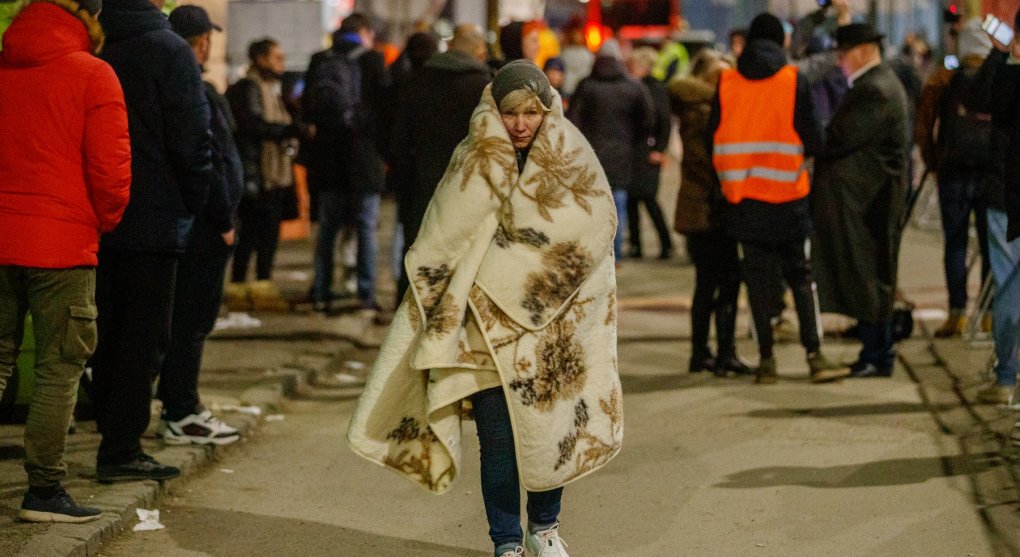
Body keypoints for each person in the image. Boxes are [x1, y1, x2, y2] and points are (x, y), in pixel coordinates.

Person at [348, 60, 621, 557]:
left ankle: (545, 528)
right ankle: (506, 541)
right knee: (498, 442)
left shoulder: (573, 159)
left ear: (547, 111)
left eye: (532, 113)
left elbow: (592, 235)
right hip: (484, 326)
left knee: (550, 429)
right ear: (494, 111)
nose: (520, 124)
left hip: (551, 325)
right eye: (511, 113)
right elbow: (441, 240)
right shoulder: (470, 159)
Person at [0, 0, 130, 520]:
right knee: (60, 366)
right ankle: (45, 491)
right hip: (62, 244)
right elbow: (111, 168)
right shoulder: (94, 75)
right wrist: (101, 220)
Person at [91, 0, 212, 484]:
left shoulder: (96, 48)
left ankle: (112, 437)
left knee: (108, 333)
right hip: (155, 217)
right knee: (144, 339)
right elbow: (191, 134)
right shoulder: (170, 51)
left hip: (99, 215)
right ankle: (121, 449)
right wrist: (193, 196)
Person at [710, 13, 848, 384]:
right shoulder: (792, 80)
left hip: (744, 200)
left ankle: (767, 361)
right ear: (780, 42)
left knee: (757, 282)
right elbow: (814, 139)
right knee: (801, 279)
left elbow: (715, 141)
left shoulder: (726, 83)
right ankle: (814, 355)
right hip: (788, 196)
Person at [158, 5, 243, 445]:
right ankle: (182, 409)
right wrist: (223, 217)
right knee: (192, 321)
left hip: (189, 221)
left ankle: (181, 403)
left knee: (181, 321)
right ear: (202, 41)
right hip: (204, 226)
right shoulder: (197, 89)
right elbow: (206, 158)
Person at [812, 22, 911, 378]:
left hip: (869, 202)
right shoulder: (875, 85)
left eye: (843, 54)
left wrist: (814, 131)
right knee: (869, 273)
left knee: (869, 275)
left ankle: (877, 354)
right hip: (869, 200)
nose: (840, 62)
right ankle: (874, 350)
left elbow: (838, 137)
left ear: (863, 51)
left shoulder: (875, 90)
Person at [390, 23, 492, 296]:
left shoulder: (417, 82)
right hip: (471, 188)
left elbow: (398, 142)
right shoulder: (484, 87)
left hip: (422, 185)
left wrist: (405, 183)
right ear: (479, 53)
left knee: (418, 256)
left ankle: (410, 320)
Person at [670, 50, 751, 377]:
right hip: (711, 208)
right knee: (726, 282)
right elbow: (709, 162)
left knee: (708, 284)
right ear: (705, 80)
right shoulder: (704, 110)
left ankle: (703, 353)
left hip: (704, 208)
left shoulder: (701, 107)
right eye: (720, 76)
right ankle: (722, 354)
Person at [304, 13, 390, 312]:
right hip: (364, 156)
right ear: (363, 31)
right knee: (366, 226)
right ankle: (365, 293)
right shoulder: (373, 60)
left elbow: (308, 109)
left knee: (328, 227)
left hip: (328, 159)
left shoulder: (319, 59)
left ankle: (321, 289)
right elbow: (384, 107)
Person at [916, 18, 993, 338]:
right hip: (990, 175)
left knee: (956, 243)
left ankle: (957, 314)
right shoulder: (1000, 80)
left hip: (953, 173)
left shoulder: (944, 79)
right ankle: (990, 314)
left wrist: (933, 162)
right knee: (992, 248)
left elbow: (923, 126)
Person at [224, 38, 300, 312]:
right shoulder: (249, 89)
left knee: (268, 235)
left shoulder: (273, 90)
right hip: (257, 175)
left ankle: (259, 286)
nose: (281, 63)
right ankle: (241, 289)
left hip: (273, 176)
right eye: (275, 57)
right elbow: (252, 126)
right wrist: (288, 131)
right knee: (251, 235)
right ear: (260, 59)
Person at [967, 12, 1020, 404]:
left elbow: (987, 104)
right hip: (1005, 195)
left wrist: (1005, 56)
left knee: (1009, 287)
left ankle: (1006, 376)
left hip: (1006, 197)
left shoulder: (1010, 76)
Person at [568, 39, 653, 263]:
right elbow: (647, 120)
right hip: (622, 155)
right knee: (619, 205)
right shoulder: (633, 87)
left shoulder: (586, 86)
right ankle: (615, 254)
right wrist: (633, 142)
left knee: (591, 207)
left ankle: (594, 254)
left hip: (591, 155)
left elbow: (572, 120)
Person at [626, 46, 674, 260]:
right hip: (635, 151)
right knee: (631, 200)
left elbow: (665, 122)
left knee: (648, 197)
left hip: (647, 151)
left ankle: (666, 243)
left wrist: (659, 149)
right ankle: (636, 245)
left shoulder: (655, 89)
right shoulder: (636, 87)